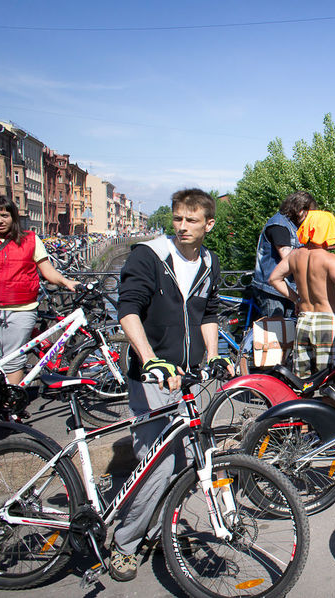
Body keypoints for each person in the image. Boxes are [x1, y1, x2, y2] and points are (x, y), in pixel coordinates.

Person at [111, 189, 230, 581]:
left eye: (191, 220)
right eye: (177, 218)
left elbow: (208, 312)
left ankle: (162, 527)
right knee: (157, 465)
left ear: (208, 225)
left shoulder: (209, 261)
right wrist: (150, 360)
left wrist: (212, 355)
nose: (181, 226)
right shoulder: (149, 255)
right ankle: (125, 544)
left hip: (189, 376)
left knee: (187, 461)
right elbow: (127, 309)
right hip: (153, 375)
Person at [0, 194, 79, 385]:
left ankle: (11, 400)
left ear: (13, 217)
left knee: (14, 358)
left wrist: (66, 282)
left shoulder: (30, 240)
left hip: (22, 308)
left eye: (4, 215)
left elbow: (47, 270)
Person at [270, 210, 335, 378]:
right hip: (327, 323)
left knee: (304, 382)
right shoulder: (329, 259)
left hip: (304, 321)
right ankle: (329, 406)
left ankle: (307, 404)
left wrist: (296, 299)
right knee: (332, 382)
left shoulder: (295, 255)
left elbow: (274, 279)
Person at [249, 191, 316, 318]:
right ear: (301, 209)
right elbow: (289, 258)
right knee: (276, 332)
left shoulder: (293, 226)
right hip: (272, 290)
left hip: (286, 288)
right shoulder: (279, 225)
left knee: (289, 332)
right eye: (310, 212)